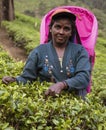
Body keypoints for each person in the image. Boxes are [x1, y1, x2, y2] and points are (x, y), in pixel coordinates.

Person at [2, 8, 91, 98]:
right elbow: (27, 78)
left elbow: (83, 78)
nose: (61, 32)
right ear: (51, 29)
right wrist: (14, 80)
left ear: (71, 32)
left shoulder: (80, 51)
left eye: (66, 29)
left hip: (76, 106)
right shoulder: (38, 52)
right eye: (58, 27)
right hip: (48, 103)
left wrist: (62, 85)